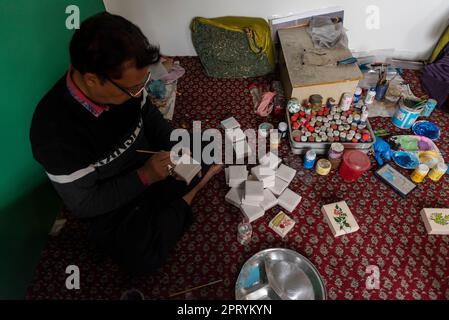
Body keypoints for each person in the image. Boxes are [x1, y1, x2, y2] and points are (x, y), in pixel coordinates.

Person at [30, 12, 222, 276]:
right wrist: (144, 177)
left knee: (207, 146)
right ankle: (181, 200)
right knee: (141, 258)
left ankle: (172, 206)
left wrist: (176, 146)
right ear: (93, 80)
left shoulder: (127, 87)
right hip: (115, 199)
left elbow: (150, 116)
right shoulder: (54, 134)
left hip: (152, 162)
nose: (139, 91)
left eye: (143, 82)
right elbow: (85, 204)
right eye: (133, 88)